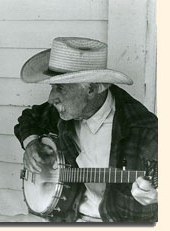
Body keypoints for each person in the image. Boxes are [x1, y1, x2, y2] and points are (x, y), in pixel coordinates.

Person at [10, 37, 158, 222]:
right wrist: (31, 143)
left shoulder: (144, 130)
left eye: (60, 88)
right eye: (53, 87)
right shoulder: (66, 110)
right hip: (67, 217)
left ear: (91, 89)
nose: (51, 98)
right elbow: (29, 118)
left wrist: (158, 198)